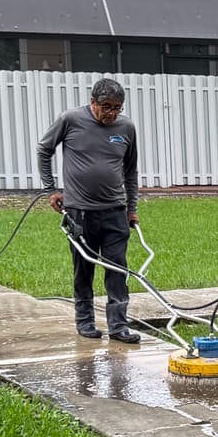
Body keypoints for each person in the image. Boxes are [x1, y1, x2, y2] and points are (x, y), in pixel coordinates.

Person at [38, 77, 142, 343]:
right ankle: (84, 321)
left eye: (117, 107)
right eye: (106, 106)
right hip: (80, 212)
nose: (111, 113)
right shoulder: (70, 119)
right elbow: (44, 149)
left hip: (115, 212)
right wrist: (51, 189)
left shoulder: (126, 127)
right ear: (93, 102)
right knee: (83, 268)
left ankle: (118, 326)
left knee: (117, 269)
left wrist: (132, 208)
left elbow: (130, 171)